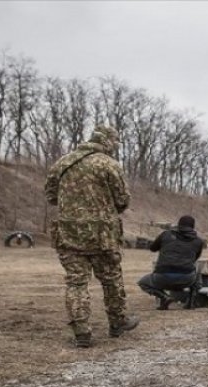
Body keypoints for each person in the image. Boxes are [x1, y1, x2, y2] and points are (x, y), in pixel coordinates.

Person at [44, 125, 139, 348]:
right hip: (102, 235)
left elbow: (50, 196)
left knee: (76, 283)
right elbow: (123, 200)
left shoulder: (63, 163)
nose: (115, 147)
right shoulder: (109, 164)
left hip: (69, 234)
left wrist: (74, 209)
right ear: (108, 141)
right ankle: (118, 323)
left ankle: (82, 332)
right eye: (115, 142)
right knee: (111, 279)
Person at [137, 215, 205, 310]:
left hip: (162, 278)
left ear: (178, 225)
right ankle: (191, 302)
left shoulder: (166, 234)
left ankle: (164, 297)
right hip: (186, 279)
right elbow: (194, 259)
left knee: (142, 282)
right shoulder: (199, 241)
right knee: (197, 269)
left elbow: (152, 248)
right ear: (193, 227)